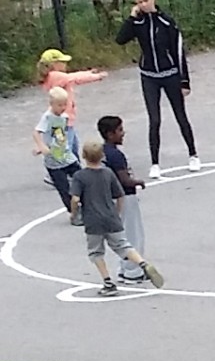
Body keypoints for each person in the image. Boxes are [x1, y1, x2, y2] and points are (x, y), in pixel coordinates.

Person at [114, 0, 197, 177]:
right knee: (154, 119)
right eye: (139, 2)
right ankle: (155, 163)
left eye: (146, 0)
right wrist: (132, 18)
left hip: (170, 74)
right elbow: (120, 39)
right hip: (149, 76)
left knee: (180, 116)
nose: (143, 4)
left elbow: (178, 51)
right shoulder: (138, 22)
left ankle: (193, 154)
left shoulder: (166, 22)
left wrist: (185, 81)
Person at [70, 141, 163, 295]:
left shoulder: (80, 176)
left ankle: (108, 282)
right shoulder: (108, 173)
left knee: (96, 252)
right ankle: (142, 263)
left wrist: (74, 214)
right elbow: (120, 195)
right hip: (111, 217)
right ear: (102, 156)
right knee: (123, 245)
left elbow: (75, 199)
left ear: (84, 156)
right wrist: (117, 212)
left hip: (93, 220)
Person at [96, 115, 146, 282]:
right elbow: (124, 179)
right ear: (110, 134)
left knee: (122, 233)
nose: (123, 133)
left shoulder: (103, 152)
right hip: (125, 196)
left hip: (112, 198)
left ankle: (125, 268)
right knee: (133, 234)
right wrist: (138, 182)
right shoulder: (116, 155)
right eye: (119, 130)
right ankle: (133, 270)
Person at [33, 88, 78, 220]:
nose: (63, 108)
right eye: (60, 105)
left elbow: (57, 135)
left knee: (80, 176)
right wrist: (41, 146)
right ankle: (73, 212)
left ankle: (87, 203)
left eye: (65, 104)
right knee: (63, 188)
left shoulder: (63, 117)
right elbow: (36, 132)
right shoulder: (47, 117)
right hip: (53, 160)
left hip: (66, 155)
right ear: (51, 104)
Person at [34, 49, 105, 131]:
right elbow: (76, 78)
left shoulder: (51, 76)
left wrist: (88, 73)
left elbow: (72, 75)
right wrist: (97, 76)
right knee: (68, 143)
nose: (65, 64)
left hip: (64, 118)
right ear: (54, 64)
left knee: (73, 143)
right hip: (65, 119)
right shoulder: (56, 76)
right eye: (62, 62)